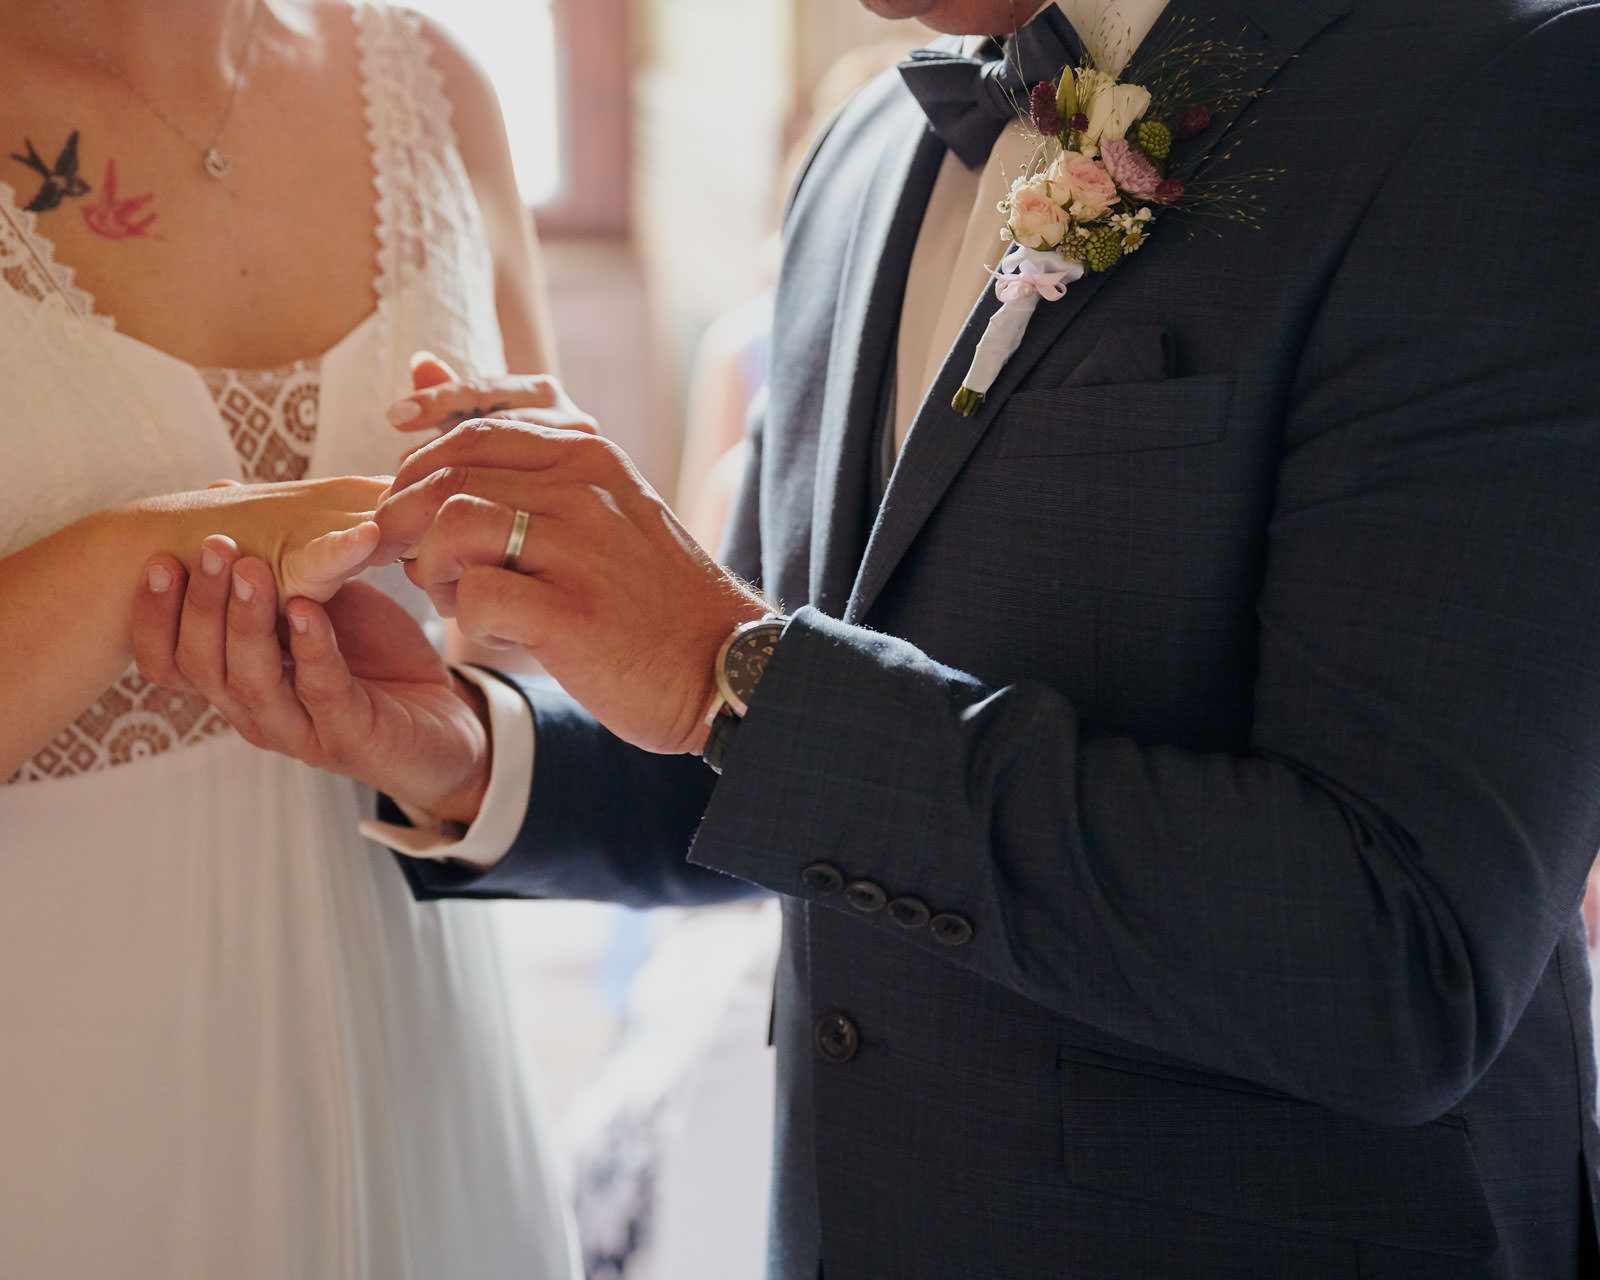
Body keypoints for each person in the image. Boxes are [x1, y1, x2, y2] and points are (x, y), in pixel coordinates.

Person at [136, 0, 1600, 1274]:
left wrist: (733, 675)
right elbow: (768, 759)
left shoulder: (1498, 102)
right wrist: (467, 749)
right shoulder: (858, 173)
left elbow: (1402, 959)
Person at [0, 0, 577, 1275]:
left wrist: (486, 649)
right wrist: (128, 567)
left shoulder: (444, 87)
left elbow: (541, 668)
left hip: (428, 1088)